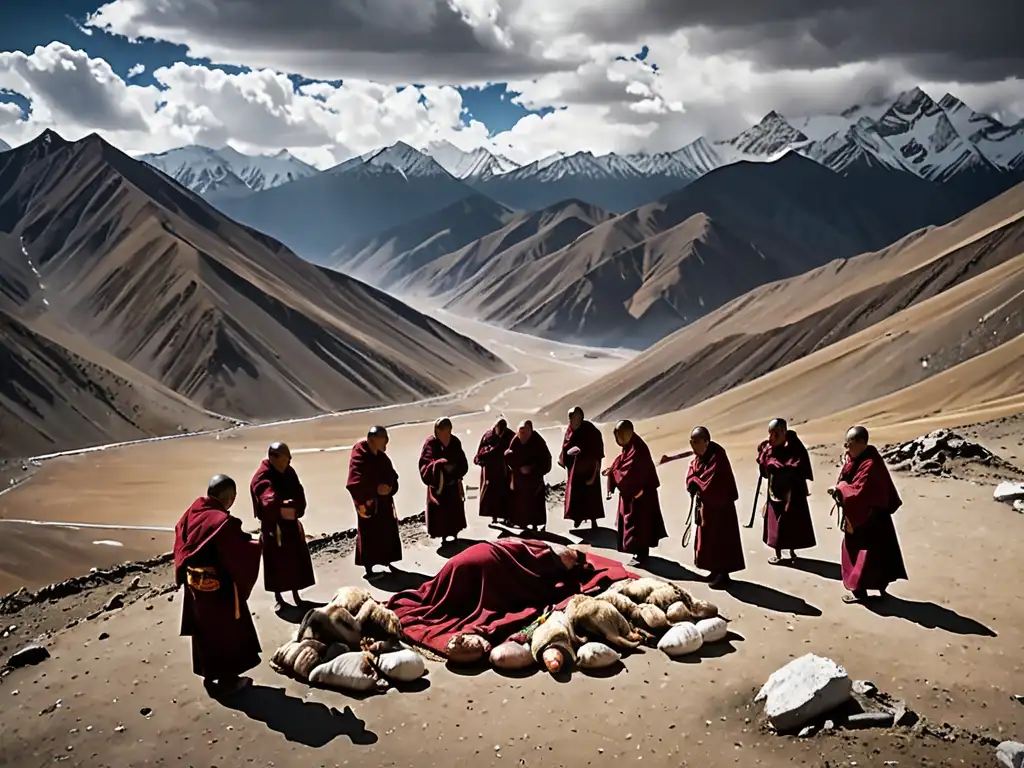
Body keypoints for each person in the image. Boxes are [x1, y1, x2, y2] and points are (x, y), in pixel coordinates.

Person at [173, 474, 262, 698]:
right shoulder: (222, 522)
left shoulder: (193, 512)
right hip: (217, 589)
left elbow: (180, 537)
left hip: (195, 586)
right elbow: (238, 550)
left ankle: (209, 674)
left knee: (205, 632)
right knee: (226, 631)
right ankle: (228, 680)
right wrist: (257, 544)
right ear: (230, 498)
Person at [827, 425, 908, 604]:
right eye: (846, 445)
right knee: (871, 555)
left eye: (850, 445)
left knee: (865, 555)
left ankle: (860, 592)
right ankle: (869, 589)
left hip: (870, 519)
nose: (847, 449)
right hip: (864, 517)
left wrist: (840, 489)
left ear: (862, 443)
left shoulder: (870, 464)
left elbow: (859, 492)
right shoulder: (856, 460)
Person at [250, 442, 315, 610]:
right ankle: (278, 597)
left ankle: (296, 595)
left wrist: (297, 505)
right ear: (273, 458)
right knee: (275, 562)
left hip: (291, 523)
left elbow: (299, 491)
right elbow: (266, 496)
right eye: (286, 457)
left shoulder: (289, 472)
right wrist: (281, 504)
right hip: (273, 526)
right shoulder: (262, 476)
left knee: (295, 559)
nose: (290, 460)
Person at [686, 426, 745, 587]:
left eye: (697, 443)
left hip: (721, 508)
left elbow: (711, 482)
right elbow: (693, 471)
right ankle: (714, 570)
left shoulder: (717, 456)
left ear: (706, 441)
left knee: (721, 539)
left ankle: (723, 575)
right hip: (707, 506)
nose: (694, 447)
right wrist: (693, 482)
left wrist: (696, 482)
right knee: (707, 539)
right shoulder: (701, 456)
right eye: (692, 443)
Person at [603, 420, 667, 566]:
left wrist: (618, 474)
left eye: (619, 435)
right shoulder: (630, 446)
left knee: (640, 525)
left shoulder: (639, 449)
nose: (617, 439)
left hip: (641, 494)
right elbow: (622, 463)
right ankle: (638, 552)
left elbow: (633, 471)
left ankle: (641, 555)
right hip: (633, 493)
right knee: (635, 524)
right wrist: (613, 471)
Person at [756, 419, 817, 564]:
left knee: (791, 523)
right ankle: (779, 553)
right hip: (774, 491)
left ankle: (790, 552)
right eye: (770, 434)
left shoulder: (795, 447)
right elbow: (765, 471)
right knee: (776, 524)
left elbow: (799, 466)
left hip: (792, 493)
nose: (772, 438)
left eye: (775, 434)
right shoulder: (770, 448)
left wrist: (781, 469)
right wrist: (764, 460)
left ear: (784, 432)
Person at [346, 425, 402, 576]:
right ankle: (369, 568)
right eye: (383, 440)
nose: (386, 444)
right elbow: (354, 482)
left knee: (386, 531)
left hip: (384, 503)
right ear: (372, 440)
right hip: (368, 504)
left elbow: (392, 477)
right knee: (369, 534)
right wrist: (375, 490)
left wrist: (390, 488)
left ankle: (387, 560)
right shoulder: (359, 455)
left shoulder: (382, 457)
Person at [419, 417, 469, 542]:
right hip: (439, 487)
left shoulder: (455, 442)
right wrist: (439, 465)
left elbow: (462, 461)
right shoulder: (430, 443)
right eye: (440, 431)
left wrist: (455, 468)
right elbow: (425, 463)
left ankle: (455, 533)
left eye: (446, 431)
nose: (443, 434)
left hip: (453, 484)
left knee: (454, 511)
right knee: (441, 514)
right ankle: (443, 537)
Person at [558, 407, 606, 529]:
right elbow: (565, 446)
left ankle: (593, 520)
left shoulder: (590, 430)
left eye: (573, 417)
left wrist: (596, 469)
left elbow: (597, 450)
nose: (571, 420)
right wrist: (563, 458)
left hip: (589, 469)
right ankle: (577, 517)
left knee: (591, 495)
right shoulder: (569, 431)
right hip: (574, 470)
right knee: (575, 495)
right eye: (569, 417)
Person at [503, 419, 552, 530]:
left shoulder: (538, 442)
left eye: (525, 432)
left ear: (530, 431)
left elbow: (546, 461)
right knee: (520, 503)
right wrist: (516, 468)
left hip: (534, 479)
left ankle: (535, 525)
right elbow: (509, 458)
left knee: (535, 503)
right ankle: (521, 524)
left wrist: (532, 468)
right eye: (520, 432)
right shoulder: (515, 441)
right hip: (519, 479)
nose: (522, 435)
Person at [474, 417, 515, 525]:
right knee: (492, 494)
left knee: (506, 494)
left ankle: (507, 517)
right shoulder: (488, 436)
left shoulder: (510, 435)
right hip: (491, 471)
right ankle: (494, 517)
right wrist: (488, 453)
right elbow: (481, 452)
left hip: (505, 470)